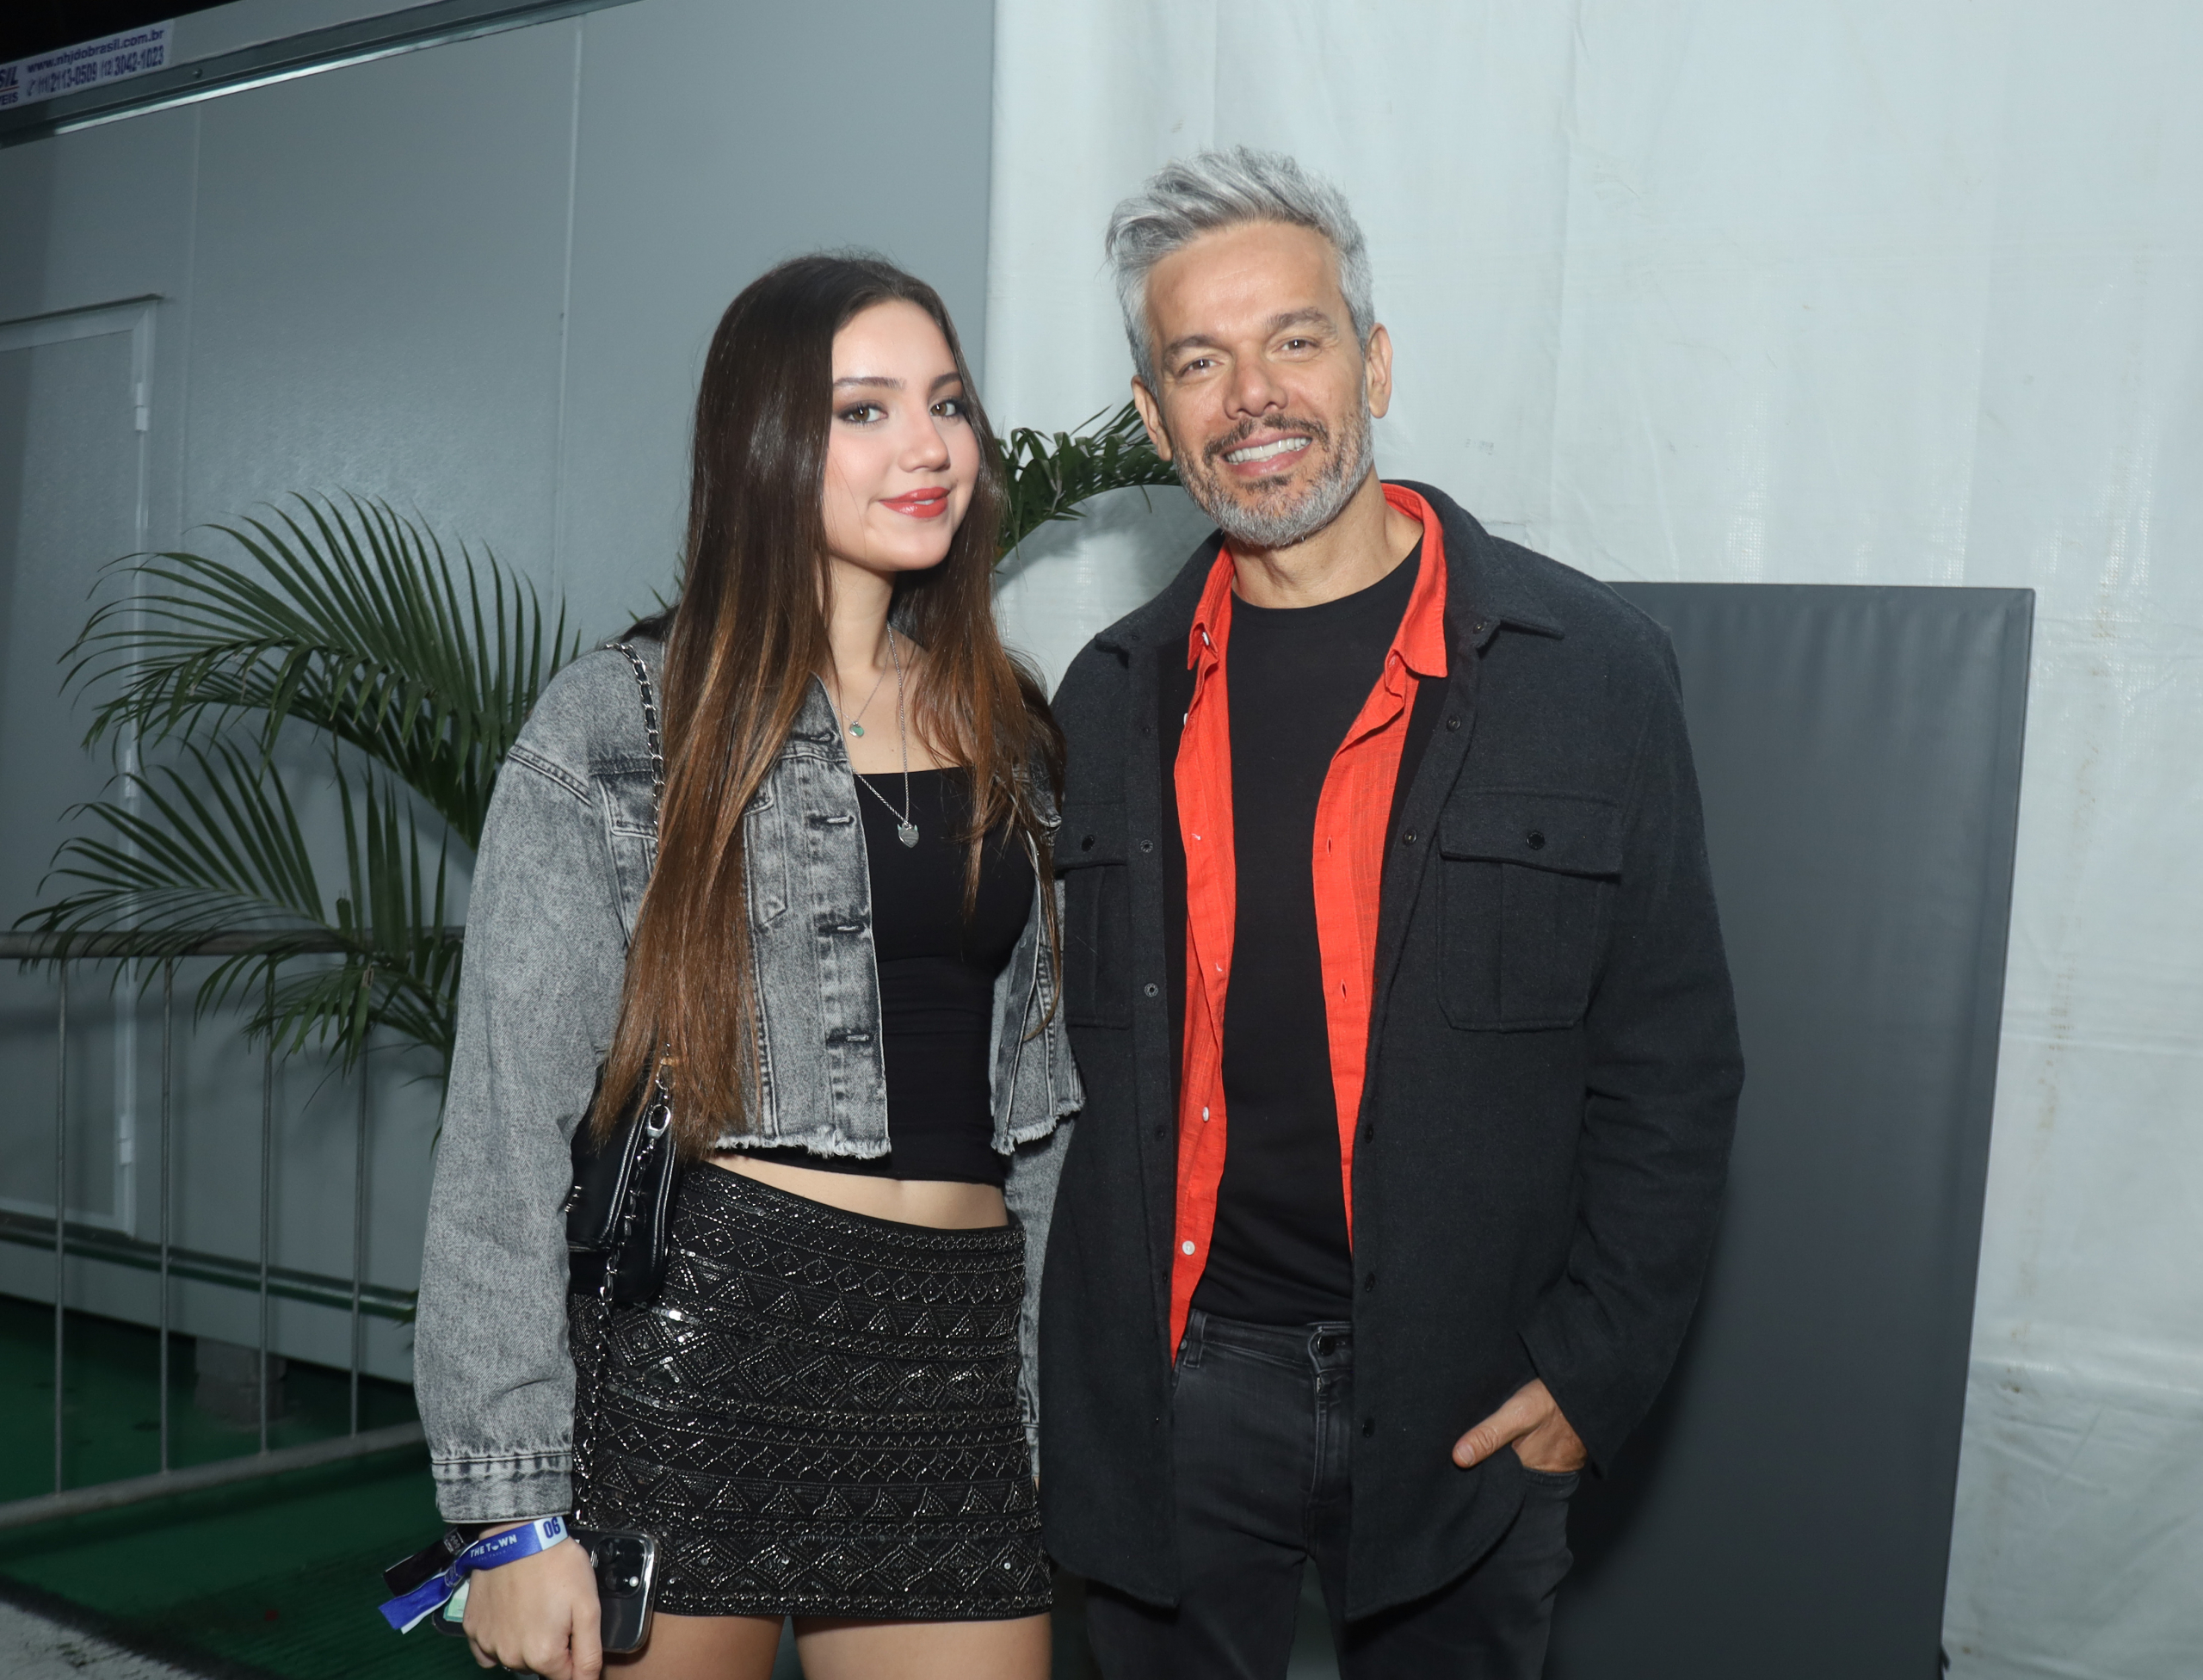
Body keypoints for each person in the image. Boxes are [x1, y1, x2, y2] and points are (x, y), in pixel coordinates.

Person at [1040, 148, 1744, 1677]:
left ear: (1372, 362)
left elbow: (1674, 1065)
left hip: (1468, 1397)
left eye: (1293, 340)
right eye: (1200, 363)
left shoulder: (1591, 673)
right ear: (1155, 418)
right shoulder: (1106, 699)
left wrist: (1595, 1370)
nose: (1254, 398)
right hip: (1179, 1391)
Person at [413, 255, 1080, 1680]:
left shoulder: (1007, 726)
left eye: (948, 403)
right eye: (865, 410)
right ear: (766, 441)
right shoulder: (625, 723)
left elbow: (1038, 1117)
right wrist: (508, 1516)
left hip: (954, 1363)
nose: (927, 447)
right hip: (706, 1348)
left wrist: (1037, 1399)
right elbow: (503, 1134)